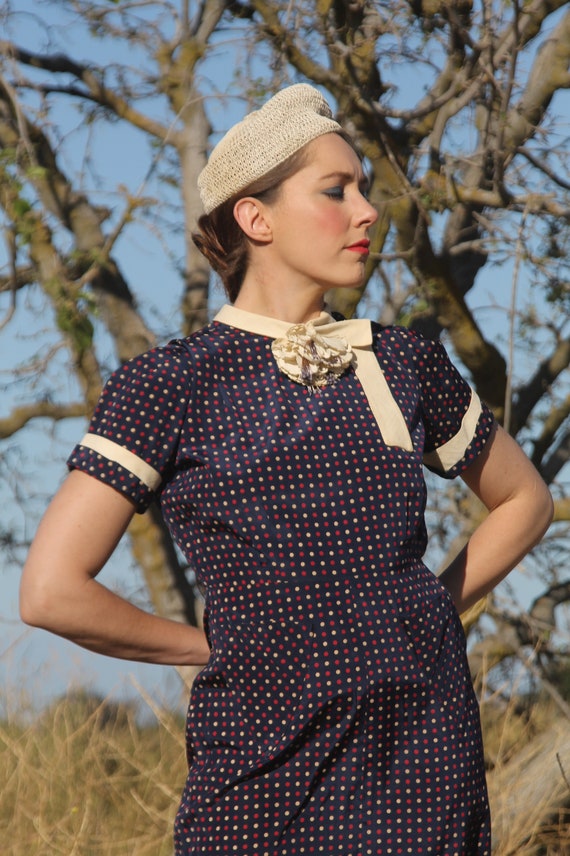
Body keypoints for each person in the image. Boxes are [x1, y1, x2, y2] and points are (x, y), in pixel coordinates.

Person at [20, 84, 553, 855]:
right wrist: (212, 647)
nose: (367, 210)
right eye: (335, 190)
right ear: (255, 217)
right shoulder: (171, 384)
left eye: (364, 188)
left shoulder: (402, 362)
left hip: (422, 760)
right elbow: (51, 591)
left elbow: (525, 501)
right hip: (260, 774)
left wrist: (428, 611)